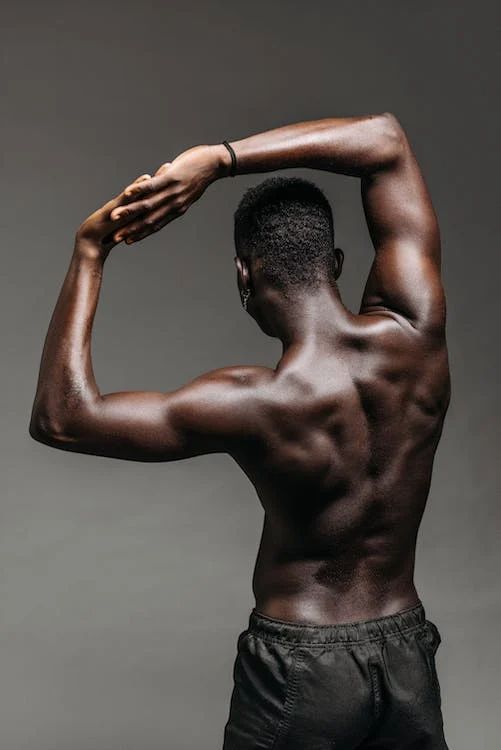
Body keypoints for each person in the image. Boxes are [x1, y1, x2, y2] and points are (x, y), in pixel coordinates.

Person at [29, 113, 451, 749]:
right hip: (407, 658)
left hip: (301, 671)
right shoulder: (414, 338)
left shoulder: (253, 403)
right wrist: (217, 159)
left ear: (244, 277)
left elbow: (64, 419)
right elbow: (384, 140)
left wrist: (90, 252)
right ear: (335, 262)